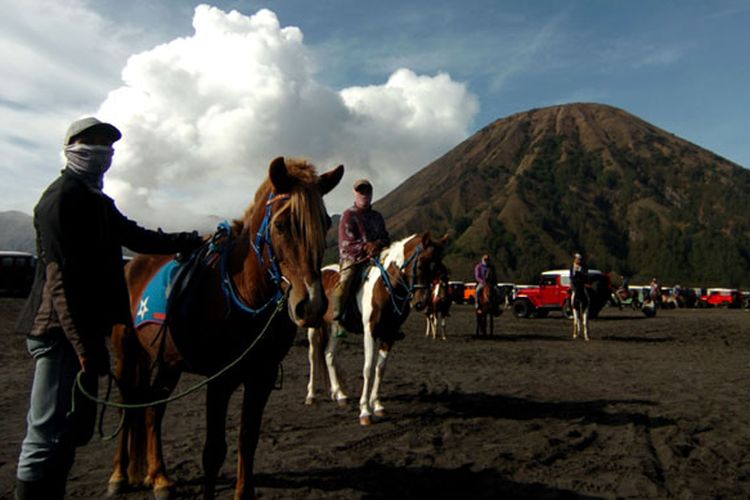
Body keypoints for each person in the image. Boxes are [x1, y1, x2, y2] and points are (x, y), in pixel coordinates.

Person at [13, 117, 204, 500]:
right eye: (91, 143)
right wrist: (84, 347)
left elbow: (136, 236)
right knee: (46, 432)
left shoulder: (95, 200)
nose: (101, 151)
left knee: (73, 428)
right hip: (58, 333)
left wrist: (193, 239)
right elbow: (59, 283)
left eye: (107, 145)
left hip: (82, 332)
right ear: (70, 148)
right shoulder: (61, 199)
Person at [332, 179, 390, 322]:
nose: (364, 195)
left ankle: (391, 320)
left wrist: (378, 245)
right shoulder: (348, 215)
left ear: (371, 194)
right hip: (353, 259)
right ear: (355, 193)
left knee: (393, 277)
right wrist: (366, 247)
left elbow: (385, 238)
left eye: (367, 192)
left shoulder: (377, 217)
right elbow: (346, 242)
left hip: (376, 257)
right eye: (361, 192)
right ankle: (338, 318)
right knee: (345, 282)